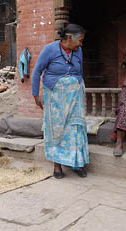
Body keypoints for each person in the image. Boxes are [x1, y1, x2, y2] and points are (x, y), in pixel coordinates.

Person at [32, 23, 89, 179]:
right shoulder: (50, 49)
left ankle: (76, 163)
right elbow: (37, 71)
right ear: (69, 38)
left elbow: (79, 72)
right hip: (55, 97)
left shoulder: (79, 51)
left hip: (74, 96)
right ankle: (57, 166)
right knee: (57, 129)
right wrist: (35, 94)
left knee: (75, 128)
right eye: (80, 40)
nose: (81, 44)